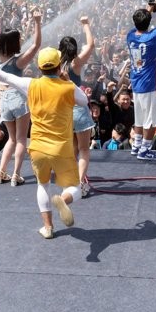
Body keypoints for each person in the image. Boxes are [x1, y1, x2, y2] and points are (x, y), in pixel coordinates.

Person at [0, 48, 90, 240]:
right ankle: (63, 200)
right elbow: (84, 101)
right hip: (61, 147)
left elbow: (3, 76)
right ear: (60, 67)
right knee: (74, 187)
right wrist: (67, 80)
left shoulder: (30, 84)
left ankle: (48, 228)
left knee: (43, 186)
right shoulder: (67, 87)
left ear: (39, 67)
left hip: (38, 147)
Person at [0, 8, 42, 186]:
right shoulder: (17, 62)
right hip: (19, 101)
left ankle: (0, 173)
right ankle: (16, 175)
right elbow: (36, 45)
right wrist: (37, 22)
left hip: (4, 100)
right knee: (21, 139)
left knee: (11, 139)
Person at [126, 0, 156, 161]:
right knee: (150, 120)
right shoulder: (152, 38)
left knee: (140, 117)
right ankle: (144, 150)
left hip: (136, 82)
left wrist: (149, 8)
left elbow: (141, 23)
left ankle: (136, 146)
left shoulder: (130, 35)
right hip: (150, 83)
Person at [58, 16, 96, 195]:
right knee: (83, 150)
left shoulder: (57, 67)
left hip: (64, 113)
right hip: (79, 111)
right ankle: (80, 184)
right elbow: (91, 45)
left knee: (72, 149)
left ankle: (70, 182)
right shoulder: (75, 64)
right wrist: (86, 25)